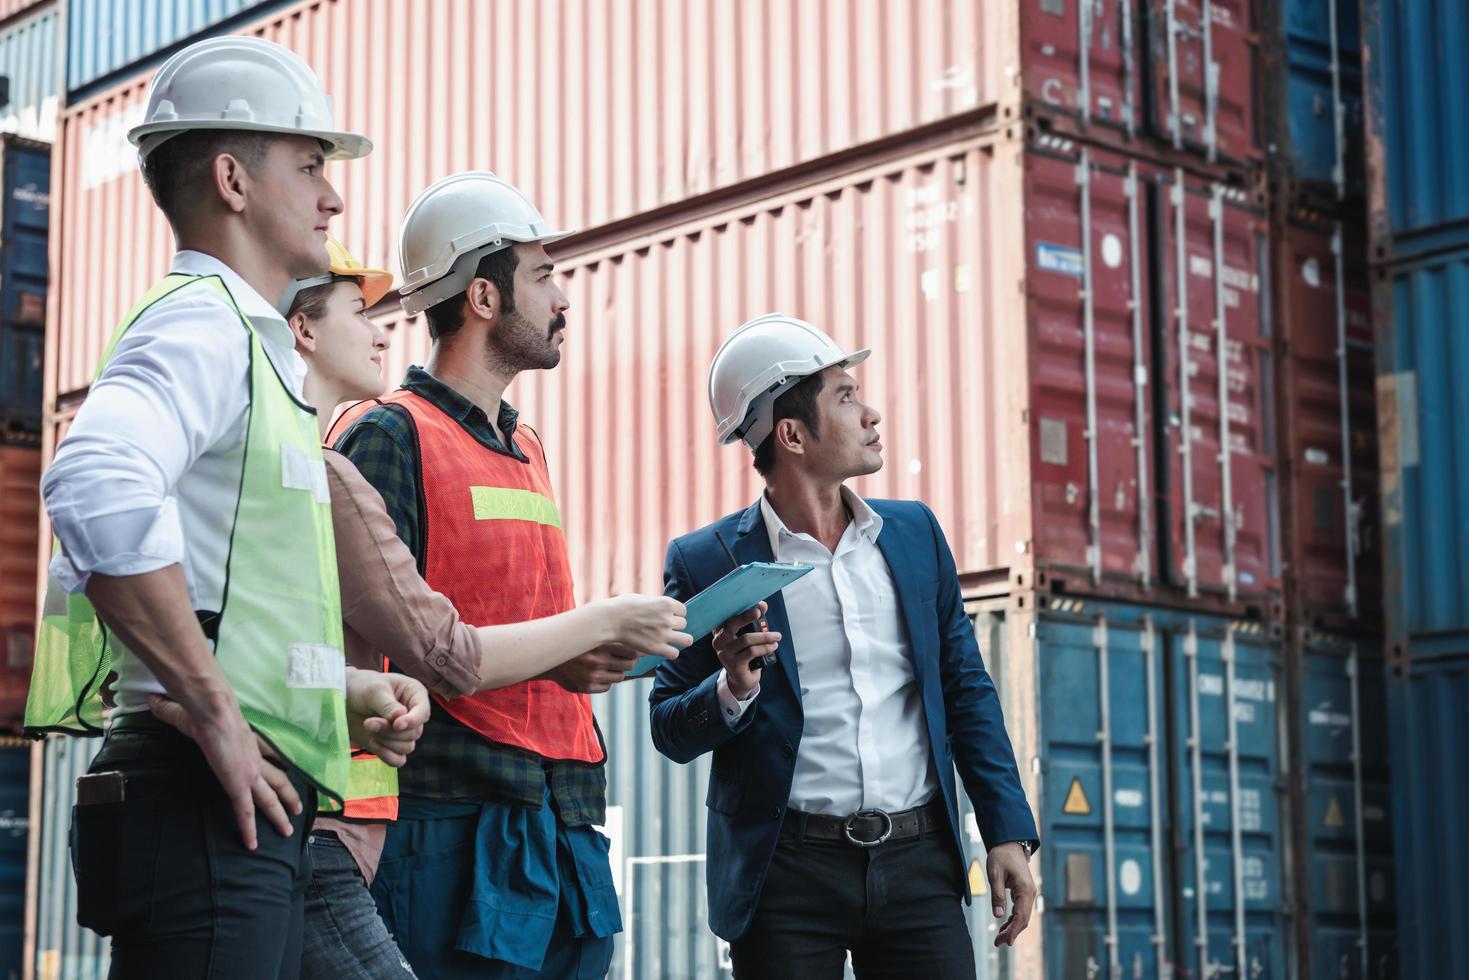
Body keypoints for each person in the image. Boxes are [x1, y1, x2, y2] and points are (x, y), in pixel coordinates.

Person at [21, 36, 425, 980]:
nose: (333, 194)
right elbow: (93, 482)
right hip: (205, 806)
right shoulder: (202, 319)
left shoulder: (249, 344)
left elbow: (221, 598)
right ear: (235, 180)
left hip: (234, 805)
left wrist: (341, 695)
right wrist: (213, 713)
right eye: (313, 164)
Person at [271, 237, 689, 978]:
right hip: (453, 819)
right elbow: (397, 640)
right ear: (484, 299)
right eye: (543, 280)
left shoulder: (526, 443)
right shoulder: (385, 434)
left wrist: (577, 660)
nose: (563, 301)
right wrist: (602, 619)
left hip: (564, 812)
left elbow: (514, 610)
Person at [650, 313, 1041, 979]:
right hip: (785, 877)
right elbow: (667, 727)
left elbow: (964, 686)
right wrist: (730, 691)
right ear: (792, 434)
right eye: (845, 396)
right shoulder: (707, 559)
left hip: (919, 863)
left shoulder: (914, 534)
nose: (871, 413)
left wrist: (1005, 828)